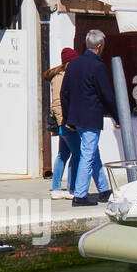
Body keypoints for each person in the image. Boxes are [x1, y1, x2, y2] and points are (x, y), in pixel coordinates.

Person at [60, 29, 119, 207]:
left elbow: (64, 93)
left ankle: (103, 189)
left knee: (93, 153)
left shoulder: (74, 64)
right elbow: (106, 95)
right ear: (99, 46)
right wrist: (119, 118)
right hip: (90, 117)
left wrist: (67, 118)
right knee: (88, 154)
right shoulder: (98, 66)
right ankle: (80, 195)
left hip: (76, 118)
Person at [44, 47, 79, 199]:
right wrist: (62, 122)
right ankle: (71, 188)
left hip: (64, 122)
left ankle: (56, 188)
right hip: (65, 122)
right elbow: (57, 103)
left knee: (63, 154)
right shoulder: (60, 77)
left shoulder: (64, 75)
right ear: (68, 62)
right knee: (78, 153)